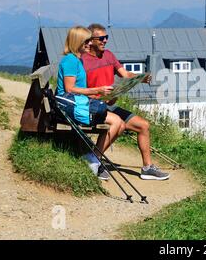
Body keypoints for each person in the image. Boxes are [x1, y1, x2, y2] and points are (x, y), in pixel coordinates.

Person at [81, 23, 170, 181]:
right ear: (91, 40)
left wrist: (139, 78)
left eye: (106, 37)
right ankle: (93, 159)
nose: (105, 41)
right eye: (101, 38)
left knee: (143, 125)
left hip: (110, 105)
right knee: (119, 125)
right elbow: (80, 89)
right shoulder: (82, 61)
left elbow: (124, 74)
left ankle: (147, 168)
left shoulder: (109, 55)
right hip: (95, 106)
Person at [56, 26, 125, 180]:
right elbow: (70, 89)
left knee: (120, 125)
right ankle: (93, 159)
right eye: (86, 41)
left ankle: (93, 157)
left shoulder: (76, 59)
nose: (89, 44)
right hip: (70, 106)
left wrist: (98, 92)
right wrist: (97, 90)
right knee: (116, 122)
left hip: (77, 103)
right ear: (77, 42)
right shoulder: (70, 61)